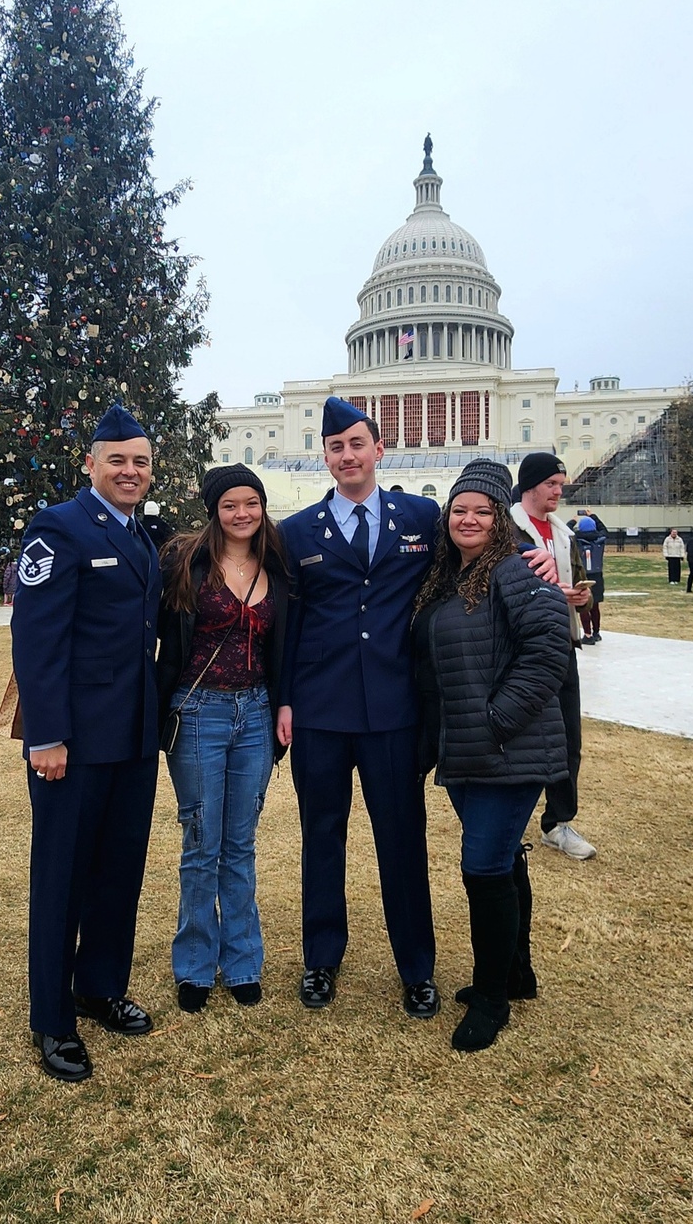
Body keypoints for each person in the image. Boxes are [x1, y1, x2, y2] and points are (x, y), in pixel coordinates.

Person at [10, 404, 161, 1083]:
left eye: (141, 461)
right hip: (70, 742)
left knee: (118, 872)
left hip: (131, 737)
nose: (131, 471)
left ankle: (98, 987)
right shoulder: (59, 526)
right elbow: (37, 640)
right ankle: (52, 1018)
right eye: (118, 459)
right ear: (91, 463)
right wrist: (45, 734)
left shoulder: (141, 534)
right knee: (63, 877)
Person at [277, 397, 441, 1019]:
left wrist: (531, 560)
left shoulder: (421, 518)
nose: (347, 456)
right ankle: (322, 958)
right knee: (323, 837)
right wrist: (286, 698)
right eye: (335, 447)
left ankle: (417, 968)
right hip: (320, 712)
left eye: (356, 444)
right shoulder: (295, 534)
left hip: (395, 713)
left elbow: (477, 544)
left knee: (402, 840)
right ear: (325, 457)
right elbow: (287, 624)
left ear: (378, 449)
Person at [412, 462, 570, 1052]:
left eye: (482, 510)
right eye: (459, 509)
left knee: (482, 868)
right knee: (503, 860)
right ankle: (517, 971)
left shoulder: (516, 569)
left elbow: (550, 649)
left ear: (499, 518)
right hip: (467, 749)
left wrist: (497, 718)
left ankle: (490, 997)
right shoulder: (450, 576)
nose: (469, 519)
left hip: (507, 748)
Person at [156, 465, 290, 1013]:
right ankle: (193, 964)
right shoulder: (185, 561)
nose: (242, 514)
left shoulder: (277, 564)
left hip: (254, 712)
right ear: (214, 509)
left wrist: (284, 702)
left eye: (251, 503)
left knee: (240, 844)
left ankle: (241, 961)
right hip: (199, 711)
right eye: (230, 504)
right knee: (200, 842)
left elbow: (290, 641)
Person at [510, 453, 596, 860]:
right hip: (519, 648)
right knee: (518, 736)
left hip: (562, 643)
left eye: (560, 484)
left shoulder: (564, 534)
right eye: (552, 484)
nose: (559, 491)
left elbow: (578, 583)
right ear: (530, 485)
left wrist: (582, 597)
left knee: (567, 737)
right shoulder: (508, 529)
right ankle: (508, 814)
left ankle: (559, 821)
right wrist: (546, 594)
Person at [574, 515, 607, 643]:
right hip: (597, 574)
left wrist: (573, 521)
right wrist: (593, 516)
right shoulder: (601, 539)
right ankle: (596, 632)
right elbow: (604, 529)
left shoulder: (576, 540)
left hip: (583, 574)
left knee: (583, 605)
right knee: (595, 605)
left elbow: (566, 530)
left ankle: (587, 635)